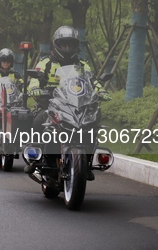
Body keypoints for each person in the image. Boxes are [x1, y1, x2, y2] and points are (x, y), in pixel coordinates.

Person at [27, 26, 110, 180]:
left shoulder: (83, 64)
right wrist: (35, 89)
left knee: (94, 121)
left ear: (75, 46)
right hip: (51, 102)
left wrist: (101, 90)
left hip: (77, 105)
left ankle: (86, 162)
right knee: (39, 120)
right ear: (56, 44)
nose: (66, 48)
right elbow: (34, 79)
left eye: (70, 45)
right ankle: (37, 159)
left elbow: (93, 81)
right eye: (63, 44)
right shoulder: (46, 62)